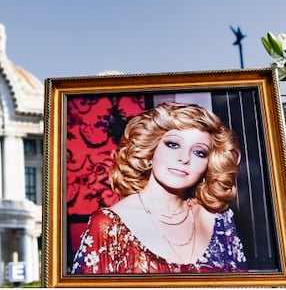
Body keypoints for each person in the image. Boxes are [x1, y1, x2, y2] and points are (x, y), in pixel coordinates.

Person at [70, 102, 245, 274]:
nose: (184, 158)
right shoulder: (109, 226)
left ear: (209, 164)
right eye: (173, 145)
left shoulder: (219, 219)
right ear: (150, 151)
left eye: (199, 152)